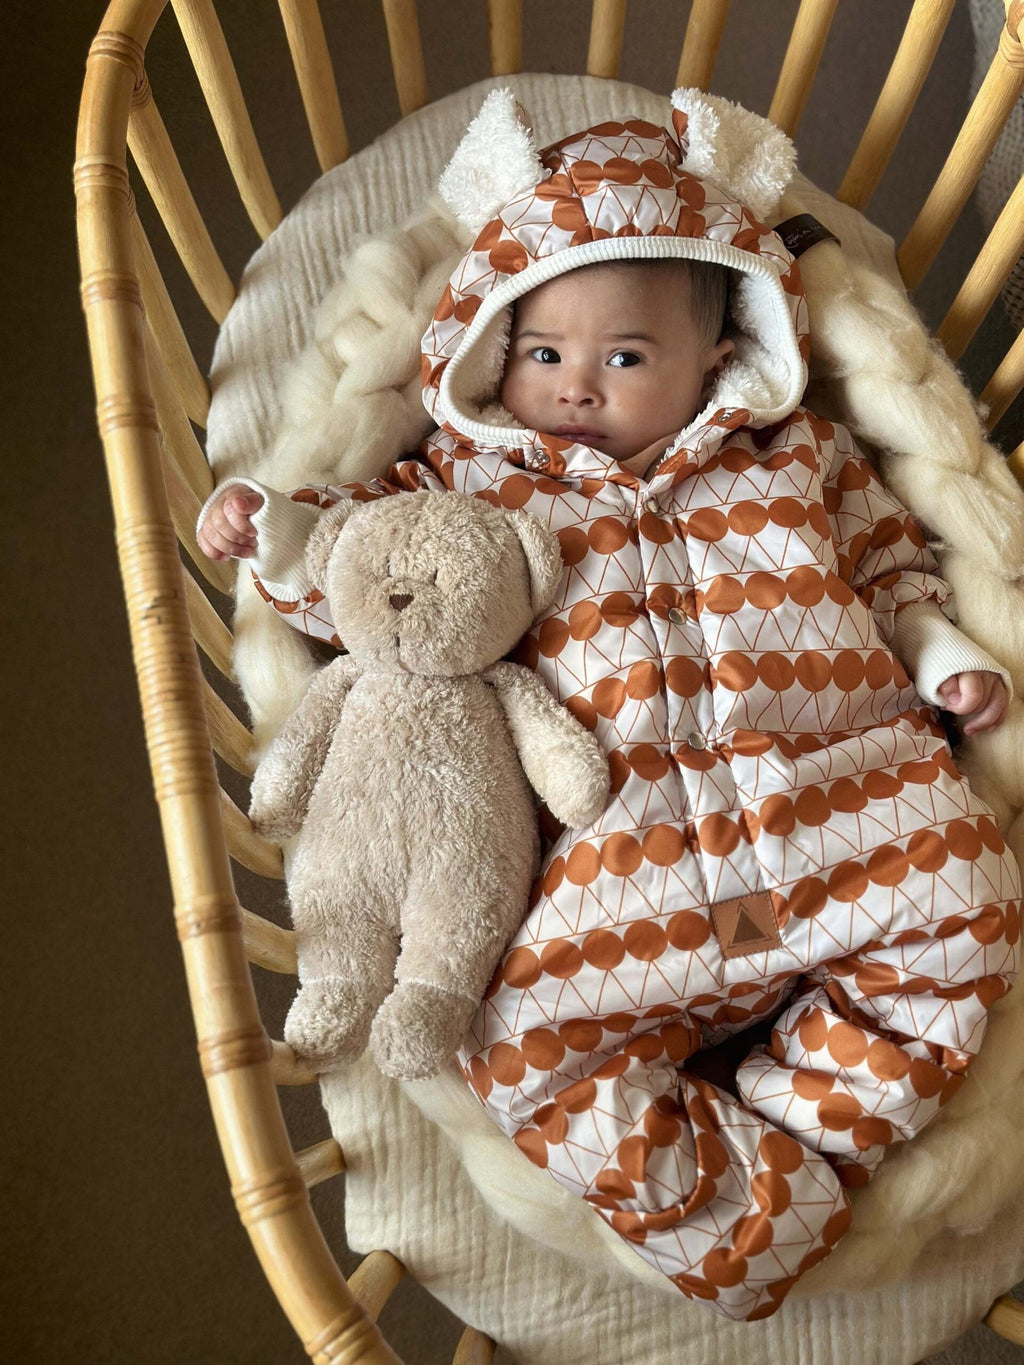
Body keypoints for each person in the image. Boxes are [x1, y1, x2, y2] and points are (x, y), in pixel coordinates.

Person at [197, 108, 1020, 1320]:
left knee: (971, 912)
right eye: (541, 354)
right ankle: (760, 1218)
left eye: (625, 358)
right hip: (617, 877)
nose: (575, 385)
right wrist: (273, 530)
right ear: (488, 349)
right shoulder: (473, 481)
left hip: (844, 807)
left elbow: (894, 565)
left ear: (719, 355)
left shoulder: (794, 459)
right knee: (514, 1044)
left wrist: (939, 648)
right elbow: (373, 566)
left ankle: (804, 1134)